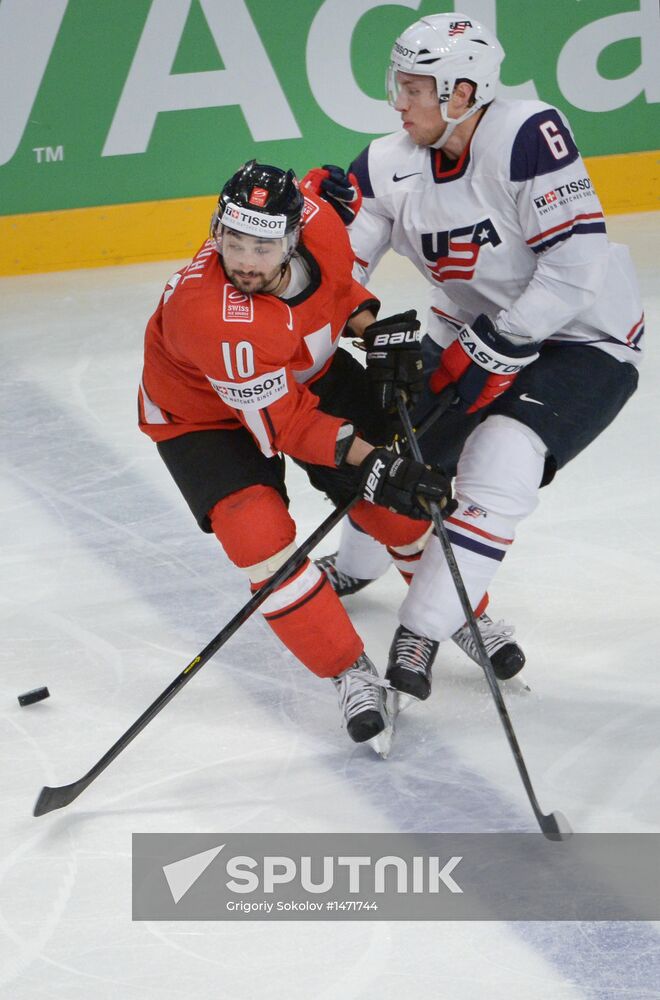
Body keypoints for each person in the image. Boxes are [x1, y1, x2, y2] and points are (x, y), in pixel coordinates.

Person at [305, 12, 643, 701]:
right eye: (397, 86)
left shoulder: (526, 135)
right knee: (392, 448)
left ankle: (423, 628)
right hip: (471, 330)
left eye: (413, 89)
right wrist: (312, 226)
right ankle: (363, 558)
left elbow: (575, 266)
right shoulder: (384, 162)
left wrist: (496, 343)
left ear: (461, 92)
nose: (398, 103)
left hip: (587, 337)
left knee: (501, 463)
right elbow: (342, 276)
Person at [138, 159, 452, 749]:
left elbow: (336, 280)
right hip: (200, 418)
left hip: (302, 371)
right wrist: (371, 463)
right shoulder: (211, 316)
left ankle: (461, 613)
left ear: (294, 235)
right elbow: (290, 425)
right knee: (258, 537)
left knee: (393, 508)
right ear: (217, 231)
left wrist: (370, 329)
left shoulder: (322, 222)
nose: (246, 261)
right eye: (234, 242)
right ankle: (348, 671)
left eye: (263, 245)